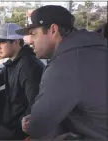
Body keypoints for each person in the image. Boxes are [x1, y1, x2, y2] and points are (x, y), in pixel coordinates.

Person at [16, 5, 108, 139]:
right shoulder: (94, 47)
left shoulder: (65, 64)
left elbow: (38, 126)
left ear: (53, 30)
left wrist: (34, 121)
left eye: (33, 34)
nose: (30, 41)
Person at [0, 23, 45, 140]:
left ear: (16, 41)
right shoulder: (13, 62)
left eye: (2, 42)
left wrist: (18, 133)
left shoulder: (28, 66)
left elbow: (35, 104)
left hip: (17, 129)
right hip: (9, 121)